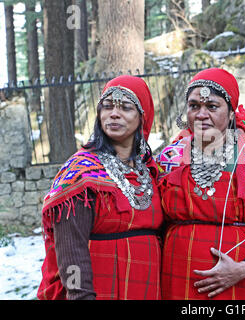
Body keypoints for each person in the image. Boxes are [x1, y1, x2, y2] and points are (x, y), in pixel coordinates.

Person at [156, 68, 245, 300]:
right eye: (194, 106)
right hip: (176, 282)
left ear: (230, 113)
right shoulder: (169, 159)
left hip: (240, 284)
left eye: (212, 107)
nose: (201, 114)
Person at [37, 75, 163, 300]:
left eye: (125, 107)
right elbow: (70, 252)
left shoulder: (152, 172)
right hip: (99, 292)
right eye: (107, 106)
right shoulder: (80, 173)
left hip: (147, 289)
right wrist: (79, 295)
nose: (114, 114)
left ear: (143, 117)